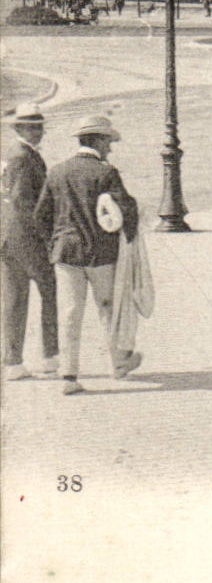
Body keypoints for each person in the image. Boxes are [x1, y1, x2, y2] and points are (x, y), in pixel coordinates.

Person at [32, 115, 140, 394]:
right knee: (107, 309)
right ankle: (118, 365)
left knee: (69, 313)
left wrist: (54, 243)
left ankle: (69, 377)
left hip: (66, 253)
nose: (111, 148)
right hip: (101, 254)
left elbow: (40, 216)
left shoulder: (57, 171)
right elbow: (126, 210)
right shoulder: (106, 173)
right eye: (108, 142)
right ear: (98, 140)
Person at [2, 103, 57, 380]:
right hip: (28, 238)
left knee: (14, 299)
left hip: (10, 239)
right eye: (31, 127)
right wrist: (47, 236)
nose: (38, 131)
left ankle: (13, 362)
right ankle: (50, 357)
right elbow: (26, 204)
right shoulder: (24, 157)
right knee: (50, 291)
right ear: (18, 128)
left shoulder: (17, 154)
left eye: (39, 126)